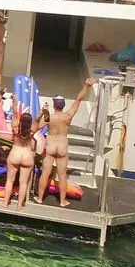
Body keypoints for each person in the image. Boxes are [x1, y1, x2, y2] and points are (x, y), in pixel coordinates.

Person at [35, 78, 94, 207]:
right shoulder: (68, 116)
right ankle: (62, 201)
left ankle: (40, 198)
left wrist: (44, 111)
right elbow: (78, 100)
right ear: (63, 105)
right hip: (62, 148)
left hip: (50, 147)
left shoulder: (48, 117)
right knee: (62, 176)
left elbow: (37, 127)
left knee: (45, 173)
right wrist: (86, 86)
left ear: (54, 105)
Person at [3, 99, 42, 208]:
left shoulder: (16, 128)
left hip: (15, 154)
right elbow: (38, 120)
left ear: (21, 121)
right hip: (27, 155)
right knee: (23, 183)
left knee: (10, 180)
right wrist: (42, 112)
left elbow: (15, 113)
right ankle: (20, 205)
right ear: (30, 123)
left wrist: (15, 103)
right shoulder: (32, 131)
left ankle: (6, 202)